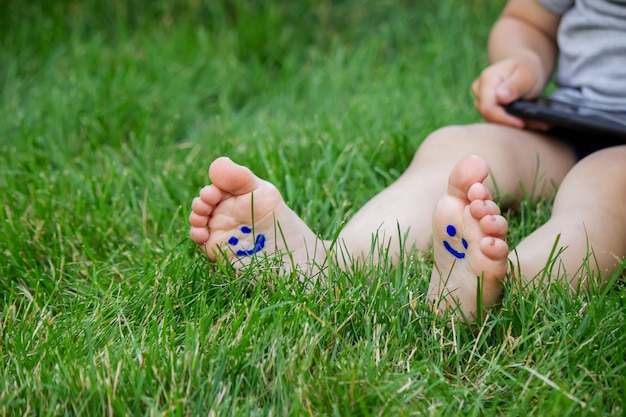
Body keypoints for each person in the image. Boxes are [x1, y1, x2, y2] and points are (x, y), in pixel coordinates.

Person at [189, 0, 626, 320]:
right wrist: (523, 61)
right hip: (567, 121)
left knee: (606, 189)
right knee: (453, 148)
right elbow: (528, 20)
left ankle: (512, 283)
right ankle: (330, 260)